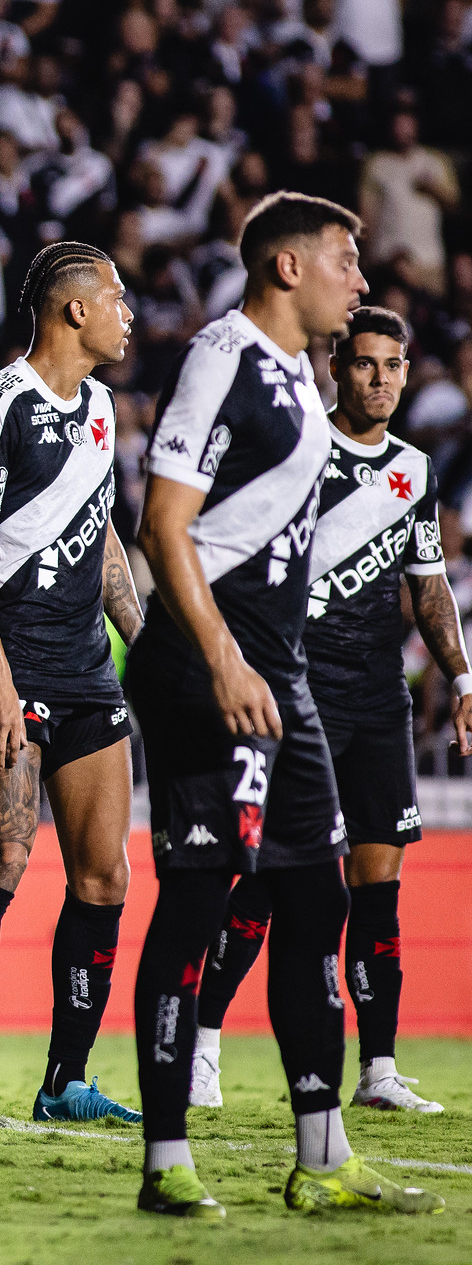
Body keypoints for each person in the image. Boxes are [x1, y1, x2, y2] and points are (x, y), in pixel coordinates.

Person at [127, 192, 443, 1217]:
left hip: (278, 671)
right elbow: (160, 521)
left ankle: (321, 1157)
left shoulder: (298, 383)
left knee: (316, 900)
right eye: (344, 260)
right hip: (206, 668)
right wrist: (218, 659)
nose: (360, 279)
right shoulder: (221, 354)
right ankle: (166, 1162)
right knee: (196, 900)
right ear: (285, 267)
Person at [188, 306, 472, 1117]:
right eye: (365, 364)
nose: (380, 378)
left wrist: (459, 677)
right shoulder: (300, 454)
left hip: (379, 700)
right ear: (337, 369)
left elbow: (428, 585)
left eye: (394, 365)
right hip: (297, 694)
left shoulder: (415, 472)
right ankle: (204, 1045)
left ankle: (378, 1067)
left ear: (408, 373)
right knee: (271, 880)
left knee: (377, 887)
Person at [0, 241, 144, 1128]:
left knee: (106, 873)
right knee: (2, 857)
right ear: (74, 311)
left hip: (89, 665)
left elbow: (106, 536)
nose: (129, 313)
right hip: (12, 663)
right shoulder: (1, 403)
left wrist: (150, 645)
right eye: (116, 298)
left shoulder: (101, 406)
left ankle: (65, 1080)